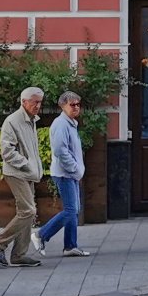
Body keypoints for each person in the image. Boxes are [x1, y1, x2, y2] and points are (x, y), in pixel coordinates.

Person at [0, 86, 44, 267]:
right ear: (24, 102)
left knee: (27, 213)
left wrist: (32, 167)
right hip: (17, 172)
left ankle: (19, 255)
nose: (38, 106)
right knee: (29, 211)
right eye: (35, 102)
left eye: (40, 102)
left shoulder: (32, 120)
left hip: (28, 173)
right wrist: (26, 164)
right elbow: (7, 151)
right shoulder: (13, 121)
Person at [33, 91, 89, 258]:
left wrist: (76, 170)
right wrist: (74, 169)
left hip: (70, 173)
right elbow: (60, 150)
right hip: (65, 174)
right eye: (72, 104)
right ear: (63, 106)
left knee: (73, 210)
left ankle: (70, 246)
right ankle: (41, 235)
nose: (76, 107)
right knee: (71, 210)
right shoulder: (61, 124)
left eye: (78, 104)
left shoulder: (70, 123)